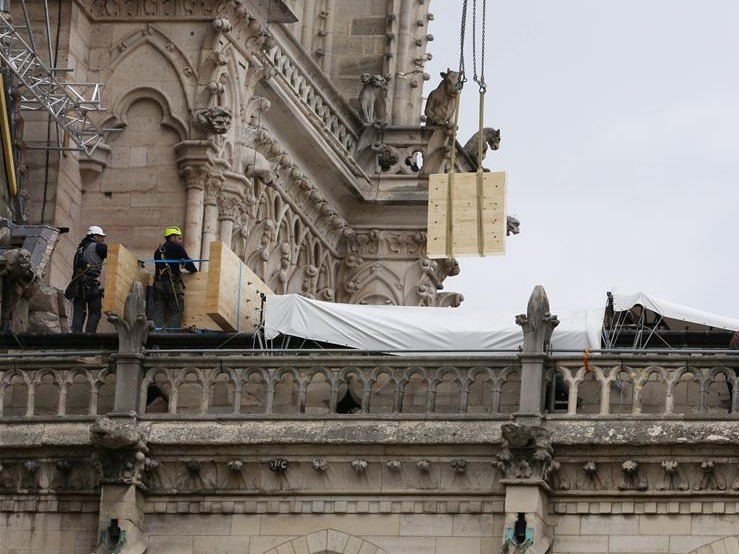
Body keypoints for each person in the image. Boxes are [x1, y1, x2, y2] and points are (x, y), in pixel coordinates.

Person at [151, 226, 198, 330]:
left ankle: (155, 335)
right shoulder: (177, 248)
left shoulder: (158, 251)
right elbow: (191, 267)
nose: (180, 241)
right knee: (176, 310)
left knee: (158, 311)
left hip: (158, 285)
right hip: (172, 285)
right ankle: (172, 334)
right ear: (172, 237)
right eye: (179, 238)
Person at [69, 225, 108, 333]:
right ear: (95, 236)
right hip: (90, 284)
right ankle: (90, 334)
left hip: (77, 284)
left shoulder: (80, 249)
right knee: (95, 312)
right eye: (101, 236)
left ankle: (76, 335)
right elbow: (114, 252)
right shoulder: (98, 247)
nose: (103, 239)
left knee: (79, 311)